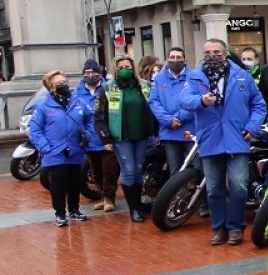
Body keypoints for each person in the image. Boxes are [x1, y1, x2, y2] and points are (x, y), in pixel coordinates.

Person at [181, 38, 268, 246]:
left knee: (238, 186)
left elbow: (259, 104)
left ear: (225, 53)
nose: (212, 56)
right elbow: (184, 101)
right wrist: (201, 101)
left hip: (237, 138)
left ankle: (236, 227)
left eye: (216, 52)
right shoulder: (194, 77)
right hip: (210, 139)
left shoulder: (241, 76)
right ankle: (218, 228)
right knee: (214, 188)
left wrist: (252, 126)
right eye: (208, 52)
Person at [94, 54, 156, 222]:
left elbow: (154, 107)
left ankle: (138, 203)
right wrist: (105, 139)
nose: (125, 70)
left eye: (128, 67)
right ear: (116, 69)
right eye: (121, 68)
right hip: (121, 137)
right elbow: (99, 116)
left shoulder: (144, 86)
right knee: (128, 171)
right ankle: (133, 209)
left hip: (142, 135)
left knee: (138, 170)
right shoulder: (107, 88)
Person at [30, 70, 92, 226]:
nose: (63, 85)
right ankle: (60, 213)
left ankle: (74, 210)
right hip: (55, 150)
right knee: (58, 183)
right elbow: (35, 129)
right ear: (51, 87)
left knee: (74, 181)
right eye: (59, 83)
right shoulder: (43, 105)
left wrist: (87, 134)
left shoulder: (77, 101)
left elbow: (90, 117)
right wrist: (45, 147)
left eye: (64, 81)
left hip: (75, 149)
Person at [148, 47, 196, 175]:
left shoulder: (194, 77)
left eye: (179, 57)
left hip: (191, 131)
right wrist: (168, 120)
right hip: (169, 130)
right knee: (175, 170)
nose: (175, 60)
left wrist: (179, 117)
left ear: (184, 60)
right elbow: (154, 101)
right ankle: (177, 195)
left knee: (197, 168)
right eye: (172, 57)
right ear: (167, 59)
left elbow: (197, 101)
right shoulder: (159, 79)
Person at [77, 59, 117, 212]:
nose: (90, 75)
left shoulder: (108, 89)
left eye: (94, 72)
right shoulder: (77, 93)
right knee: (95, 170)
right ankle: (102, 195)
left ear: (100, 74)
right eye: (87, 73)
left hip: (106, 137)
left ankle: (109, 197)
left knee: (110, 169)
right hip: (90, 139)